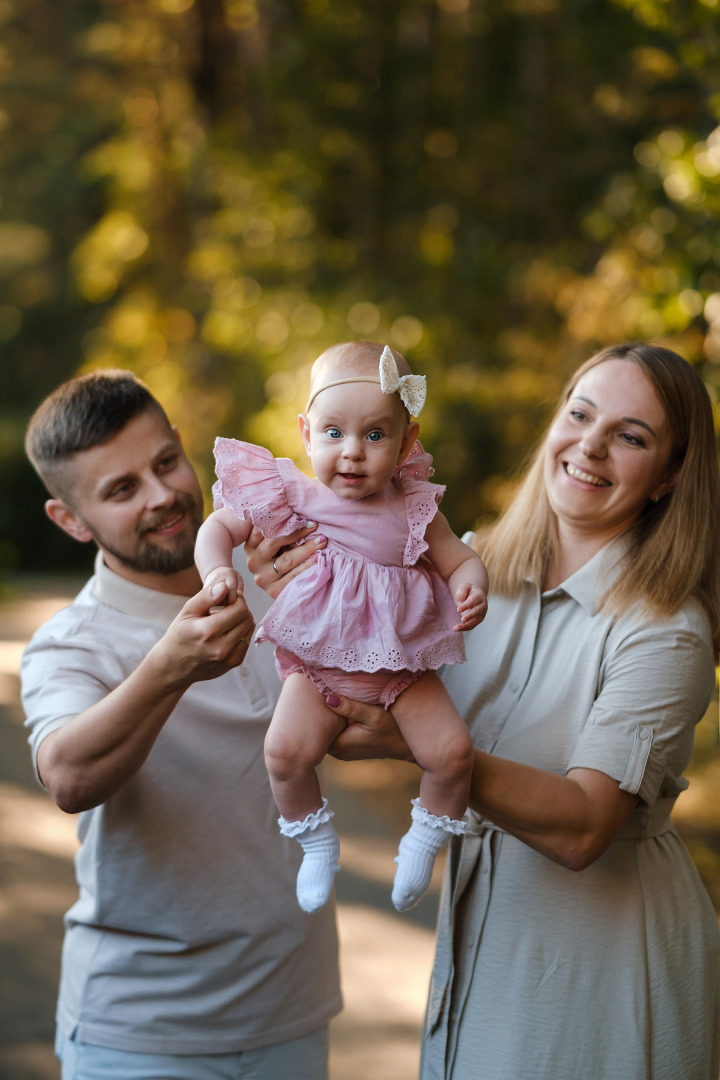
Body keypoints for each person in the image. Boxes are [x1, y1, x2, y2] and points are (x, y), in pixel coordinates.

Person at [248, 342, 720, 1080]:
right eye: (580, 414)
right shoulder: (470, 568)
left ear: (667, 478)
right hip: (480, 931)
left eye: (631, 436)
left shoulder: (666, 630)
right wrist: (301, 594)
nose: (590, 445)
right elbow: (349, 643)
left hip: (602, 957)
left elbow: (586, 828)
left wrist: (414, 747)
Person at [21, 370, 341, 1080]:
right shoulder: (70, 645)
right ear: (70, 521)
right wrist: (170, 666)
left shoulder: (277, 577)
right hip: (139, 1035)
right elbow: (69, 776)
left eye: (165, 462)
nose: (162, 494)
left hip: (293, 1012)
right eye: (120, 488)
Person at [195, 341, 488, 914]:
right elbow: (216, 531)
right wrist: (215, 576)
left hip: (402, 669)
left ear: (406, 441)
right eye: (334, 433)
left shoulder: (415, 506)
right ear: (306, 434)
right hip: (316, 668)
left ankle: (425, 839)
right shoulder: (291, 492)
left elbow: (458, 558)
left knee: (453, 754)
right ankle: (315, 841)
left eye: (375, 436)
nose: (352, 453)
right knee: (283, 753)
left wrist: (472, 583)